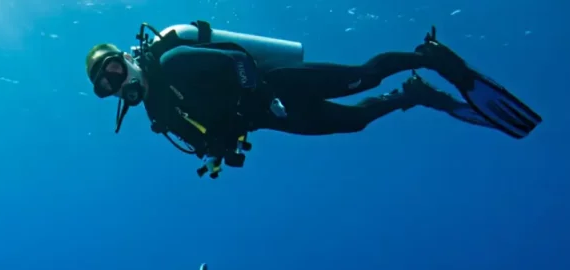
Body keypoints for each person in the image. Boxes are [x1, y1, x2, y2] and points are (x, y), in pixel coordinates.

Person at [84, 22, 542, 178]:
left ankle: (426, 57)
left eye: (115, 70)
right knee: (354, 123)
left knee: (362, 77)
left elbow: (238, 59)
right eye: (108, 86)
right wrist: (221, 150)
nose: (117, 83)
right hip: (271, 118)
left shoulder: (175, 60)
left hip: (282, 87)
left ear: (128, 59)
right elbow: (208, 140)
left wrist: (260, 93)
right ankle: (413, 94)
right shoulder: (160, 117)